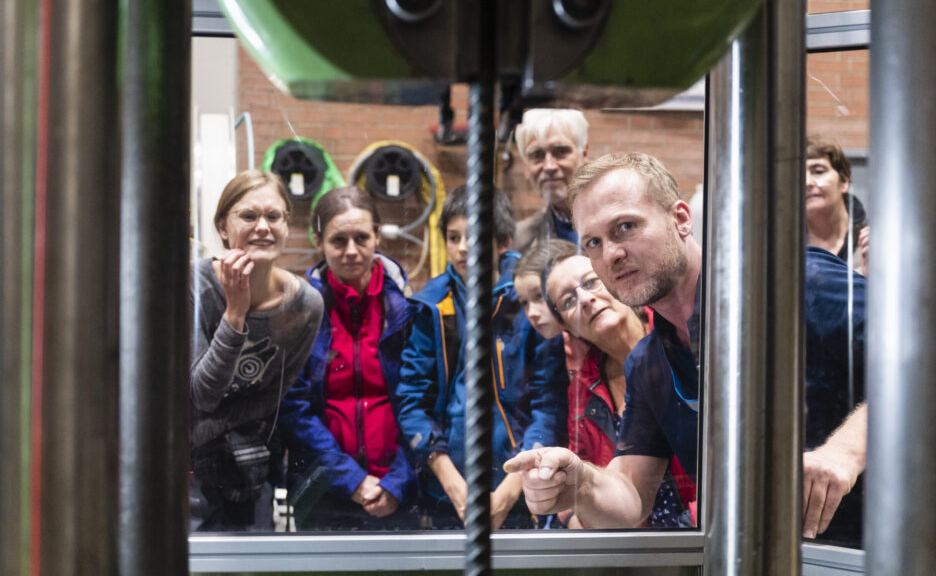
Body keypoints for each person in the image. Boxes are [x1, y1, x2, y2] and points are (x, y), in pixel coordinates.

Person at [505, 152, 867, 544]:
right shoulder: (649, 363)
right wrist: (580, 481)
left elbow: (928, 365)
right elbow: (631, 495)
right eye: (593, 241)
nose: (611, 254)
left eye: (625, 226)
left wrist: (845, 452)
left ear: (680, 219)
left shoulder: (792, 283)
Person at [395, 185, 566, 529]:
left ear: (503, 242)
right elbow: (412, 401)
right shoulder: (430, 305)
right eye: (453, 237)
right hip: (447, 492)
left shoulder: (528, 298)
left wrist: (510, 489)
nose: (461, 248)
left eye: (473, 237)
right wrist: (449, 481)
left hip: (521, 487)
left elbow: (549, 403)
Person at [190, 169, 324, 531]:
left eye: (273, 216)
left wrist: (208, 427)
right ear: (222, 227)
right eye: (248, 216)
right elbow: (201, 393)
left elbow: (270, 400)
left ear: (286, 224)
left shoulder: (306, 305)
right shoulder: (193, 286)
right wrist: (235, 312)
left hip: (253, 471)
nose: (262, 227)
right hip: (184, 473)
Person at [277, 187, 418, 530]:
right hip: (324, 494)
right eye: (339, 240)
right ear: (318, 241)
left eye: (361, 237)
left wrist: (396, 482)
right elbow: (295, 410)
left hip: (397, 493)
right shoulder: (299, 312)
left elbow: (422, 404)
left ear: (377, 236)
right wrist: (352, 481)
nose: (351, 251)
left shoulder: (406, 311)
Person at [539, 244, 693, 529]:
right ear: (567, 327)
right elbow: (580, 467)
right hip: (631, 544)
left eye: (590, 282)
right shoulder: (584, 387)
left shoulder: (678, 339)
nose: (585, 299)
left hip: (702, 530)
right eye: (569, 300)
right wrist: (575, 516)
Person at [512, 109, 590, 252]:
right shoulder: (519, 240)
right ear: (525, 165)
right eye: (537, 155)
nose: (549, 166)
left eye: (560, 152)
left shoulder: (621, 222)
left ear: (583, 154)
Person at [806, 139, 869, 274]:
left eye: (818, 171)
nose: (807, 182)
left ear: (844, 181)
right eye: (797, 175)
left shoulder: (874, 240)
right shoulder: (781, 247)